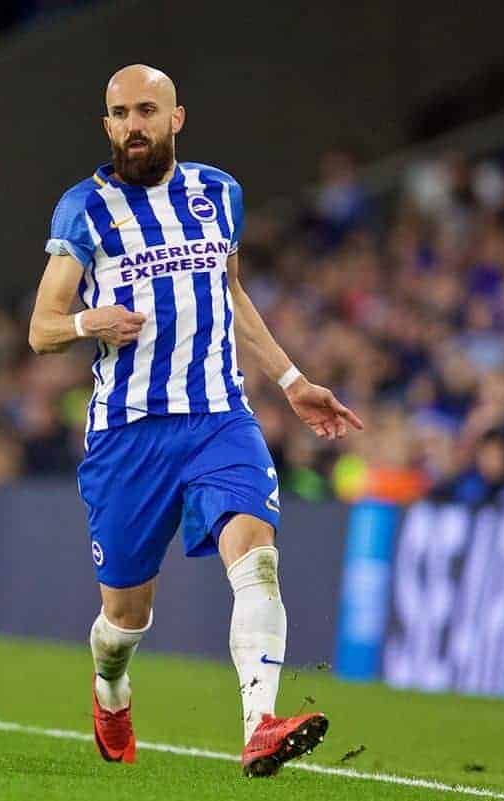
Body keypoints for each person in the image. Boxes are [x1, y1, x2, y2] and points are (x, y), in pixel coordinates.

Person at [27, 65, 364, 777]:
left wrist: (293, 378)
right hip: (128, 435)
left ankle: (260, 726)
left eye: (147, 110)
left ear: (176, 118)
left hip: (219, 417)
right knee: (124, 619)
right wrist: (92, 319)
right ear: (107, 125)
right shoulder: (83, 210)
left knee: (258, 563)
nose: (133, 125)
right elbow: (41, 326)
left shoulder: (219, 193)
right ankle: (110, 688)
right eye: (119, 113)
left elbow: (230, 292)